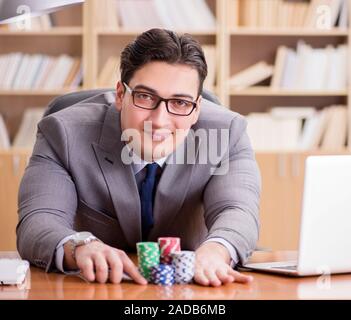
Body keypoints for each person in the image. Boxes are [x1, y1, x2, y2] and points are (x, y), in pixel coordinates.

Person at [17, 28, 261, 287]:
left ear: (196, 109)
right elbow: (38, 220)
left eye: (180, 103)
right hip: (97, 289)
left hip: (190, 290)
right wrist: (79, 246)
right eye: (145, 97)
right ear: (121, 95)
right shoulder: (63, 133)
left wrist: (216, 251)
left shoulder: (227, 133)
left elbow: (238, 210)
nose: (159, 121)